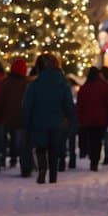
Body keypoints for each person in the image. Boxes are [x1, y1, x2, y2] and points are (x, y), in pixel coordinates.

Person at [20, 53, 76, 184]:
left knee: (41, 147)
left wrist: (26, 122)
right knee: (54, 148)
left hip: (38, 121)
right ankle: (53, 174)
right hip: (57, 120)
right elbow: (68, 103)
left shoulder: (35, 84)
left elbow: (27, 105)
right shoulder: (63, 83)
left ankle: (42, 169)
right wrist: (70, 118)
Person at [0, 57, 31, 175]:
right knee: (23, 143)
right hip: (23, 118)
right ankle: (25, 166)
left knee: (9, 139)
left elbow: (1, 100)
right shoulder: (27, 83)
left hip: (8, 117)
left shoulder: (6, 83)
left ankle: (8, 159)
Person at [76, 67, 108, 171]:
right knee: (97, 141)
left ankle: (92, 158)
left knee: (90, 140)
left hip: (87, 119)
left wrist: (80, 118)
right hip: (101, 119)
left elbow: (80, 105)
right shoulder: (104, 87)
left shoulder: (84, 88)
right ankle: (95, 161)